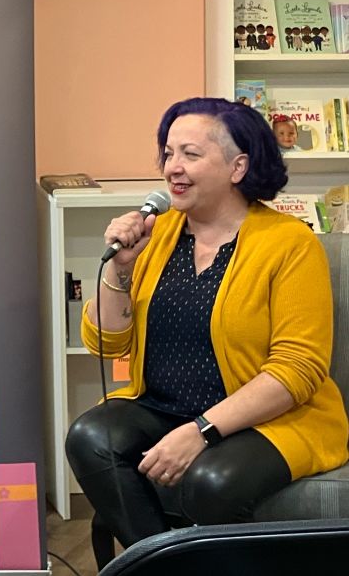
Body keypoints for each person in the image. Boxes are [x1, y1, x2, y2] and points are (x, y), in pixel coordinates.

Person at [64, 97, 349, 570]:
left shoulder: (290, 243)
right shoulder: (158, 234)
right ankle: (163, 568)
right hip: (163, 406)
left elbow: (297, 370)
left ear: (239, 167)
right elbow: (106, 343)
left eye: (190, 154)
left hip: (266, 420)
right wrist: (120, 268)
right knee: (90, 436)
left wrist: (202, 430)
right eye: (168, 153)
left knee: (210, 482)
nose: (172, 167)